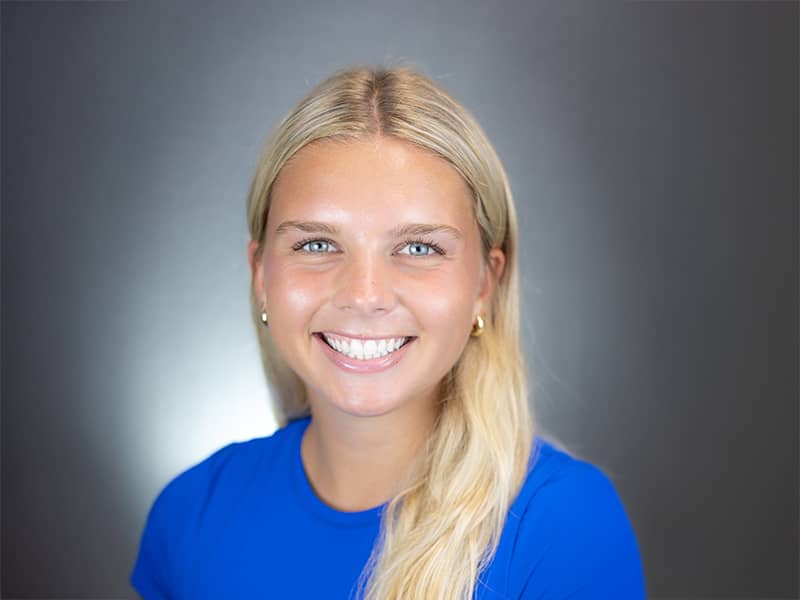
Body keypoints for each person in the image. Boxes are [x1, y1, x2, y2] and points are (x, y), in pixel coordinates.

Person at [130, 64, 646, 599]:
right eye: (316, 244)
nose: (364, 294)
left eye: (418, 248)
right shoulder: (190, 514)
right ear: (261, 274)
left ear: (484, 283)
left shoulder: (566, 529)